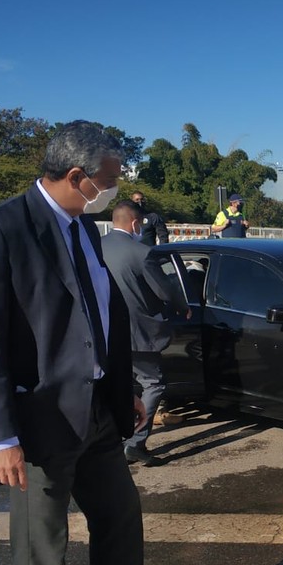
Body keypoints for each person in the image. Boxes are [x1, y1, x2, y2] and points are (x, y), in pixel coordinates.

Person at [0, 121, 178, 565]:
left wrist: (121, 386)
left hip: (99, 412)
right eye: (107, 179)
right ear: (76, 176)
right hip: (40, 422)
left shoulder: (84, 228)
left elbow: (102, 316)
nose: (114, 187)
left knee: (121, 522)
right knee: (42, 553)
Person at [101, 200, 190, 467]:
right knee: (153, 383)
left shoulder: (94, 248)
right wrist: (182, 306)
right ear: (136, 223)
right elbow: (164, 290)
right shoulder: (142, 253)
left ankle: (110, 440)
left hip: (103, 331)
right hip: (137, 331)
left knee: (115, 383)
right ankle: (135, 443)